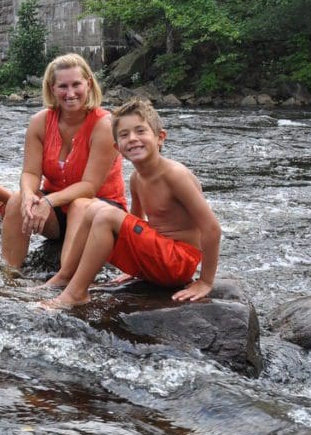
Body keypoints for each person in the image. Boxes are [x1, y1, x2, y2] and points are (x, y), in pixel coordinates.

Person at [45, 98, 221, 306]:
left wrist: (205, 281)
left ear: (160, 137)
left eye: (140, 131)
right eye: (124, 135)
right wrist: (134, 267)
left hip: (179, 262)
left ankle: (75, 294)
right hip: (157, 258)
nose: (133, 139)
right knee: (92, 209)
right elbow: (136, 222)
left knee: (106, 214)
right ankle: (66, 276)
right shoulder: (137, 179)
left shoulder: (175, 175)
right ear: (116, 147)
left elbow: (212, 228)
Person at [0, 53, 126, 271]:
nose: (70, 93)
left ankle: (66, 282)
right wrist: (29, 196)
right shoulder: (39, 122)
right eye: (62, 86)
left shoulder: (104, 125)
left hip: (99, 208)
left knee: (79, 204)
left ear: (88, 83)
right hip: (59, 211)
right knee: (16, 200)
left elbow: (90, 187)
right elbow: (30, 172)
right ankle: (10, 275)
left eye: (76, 84)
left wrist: (48, 202)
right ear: (51, 88)